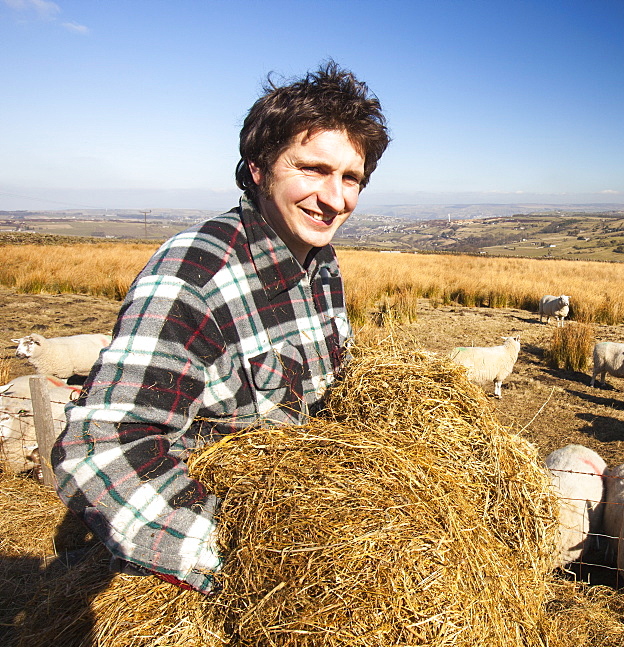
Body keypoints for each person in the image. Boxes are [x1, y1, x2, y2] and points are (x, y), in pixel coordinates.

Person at [51, 61, 390, 594]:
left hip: (300, 519)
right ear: (258, 168)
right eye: (312, 169)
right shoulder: (194, 272)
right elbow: (99, 449)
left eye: (351, 179)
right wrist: (243, 560)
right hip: (223, 566)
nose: (334, 199)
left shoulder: (321, 266)